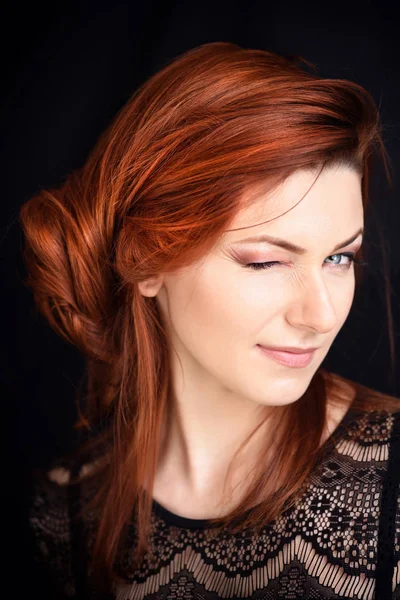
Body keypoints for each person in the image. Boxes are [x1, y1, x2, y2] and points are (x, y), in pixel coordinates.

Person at [22, 41, 400, 599]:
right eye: (267, 261)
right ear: (144, 260)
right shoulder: (66, 516)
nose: (321, 315)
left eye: (339, 258)